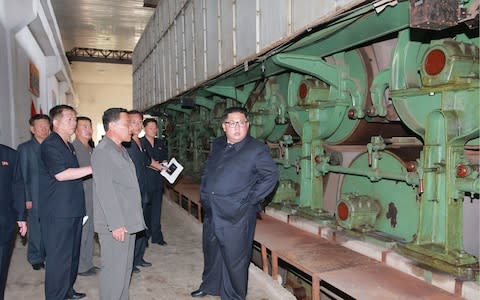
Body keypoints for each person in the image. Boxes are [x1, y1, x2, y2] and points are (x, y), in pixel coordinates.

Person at [191, 107, 279, 299]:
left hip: (236, 215)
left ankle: (233, 296)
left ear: (247, 125)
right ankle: (210, 285)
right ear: (224, 126)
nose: (237, 127)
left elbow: (271, 176)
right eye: (232, 123)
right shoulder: (219, 144)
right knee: (212, 251)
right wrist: (205, 190)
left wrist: (249, 200)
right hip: (213, 210)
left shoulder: (256, 149)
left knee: (234, 259)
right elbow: (209, 168)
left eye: (242, 123)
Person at [92, 108, 146, 300]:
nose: (131, 129)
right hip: (116, 224)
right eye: (126, 124)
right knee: (114, 273)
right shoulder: (103, 151)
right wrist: (115, 224)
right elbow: (105, 191)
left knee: (124, 271)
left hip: (128, 221)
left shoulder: (120, 149)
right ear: (112, 126)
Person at [40, 105, 92, 300]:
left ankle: (67, 290)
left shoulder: (68, 145)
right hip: (58, 212)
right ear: (56, 122)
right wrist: (93, 167)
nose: (74, 122)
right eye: (70, 119)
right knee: (58, 258)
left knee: (72, 255)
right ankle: (56, 295)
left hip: (73, 209)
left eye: (74, 119)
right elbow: (61, 175)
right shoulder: (50, 144)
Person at [125, 111, 166, 274]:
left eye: (139, 122)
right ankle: (131, 261)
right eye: (134, 122)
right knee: (134, 227)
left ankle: (139, 257)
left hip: (143, 189)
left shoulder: (138, 144)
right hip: (134, 191)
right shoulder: (127, 144)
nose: (137, 125)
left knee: (141, 225)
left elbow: (149, 161)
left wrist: (163, 168)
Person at [17, 114, 50, 271]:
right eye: (41, 126)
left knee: (49, 227)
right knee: (35, 228)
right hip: (34, 196)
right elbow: (22, 176)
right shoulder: (25, 149)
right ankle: (35, 257)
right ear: (32, 129)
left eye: (46, 126)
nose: (44, 129)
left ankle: (47, 253)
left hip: (51, 194)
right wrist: (26, 198)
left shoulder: (52, 146)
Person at [72, 116, 99, 276]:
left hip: (93, 196)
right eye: (84, 127)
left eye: (90, 126)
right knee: (82, 233)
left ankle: (87, 263)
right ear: (76, 129)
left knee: (90, 232)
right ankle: (80, 266)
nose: (88, 130)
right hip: (81, 196)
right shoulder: (74, 148)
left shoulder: (91, 148)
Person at [0, 144, 27, 299]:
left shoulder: (9, 155)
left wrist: (21, 217)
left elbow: (18, 185)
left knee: (2, 266)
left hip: (4, 222)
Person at [141, 118, 168, 246]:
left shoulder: (160, 142)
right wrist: (155, 165)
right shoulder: (140, 143)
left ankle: (157, 236)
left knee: (157, 210)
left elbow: (165, 159)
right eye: (151, 127)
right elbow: (142, 162)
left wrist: (166, 165)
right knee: (145, 210)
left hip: (158, 181)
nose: (154, 130)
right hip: (146, 181)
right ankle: (144, 237)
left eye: (155, 127)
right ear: (144, 128)